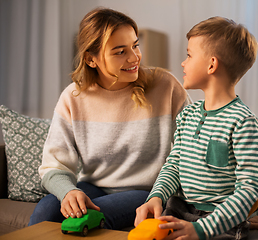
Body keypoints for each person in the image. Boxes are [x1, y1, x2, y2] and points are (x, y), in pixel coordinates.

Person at [28, 7, 191, 230]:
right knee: (46, 210)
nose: (134, 58)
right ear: (91, 59)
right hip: (94, 187)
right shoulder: (73, 97)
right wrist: (69, 191)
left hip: (149, 192)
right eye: (120, 52)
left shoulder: (166, 85)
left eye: (135, 45)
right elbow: (53, 165)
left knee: (86, 220)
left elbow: (193, 148)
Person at [135, 16, 258, 240]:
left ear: (211, 64)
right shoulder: (188, 115)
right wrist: (156, 197)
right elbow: (174, 165)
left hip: (220, 221)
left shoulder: (244, 123)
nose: (183, 62)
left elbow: (251, 188)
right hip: (179, 209)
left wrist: (201, 229)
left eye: (189, 55)